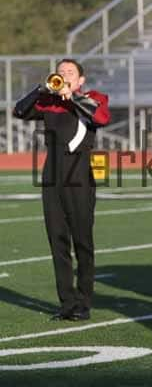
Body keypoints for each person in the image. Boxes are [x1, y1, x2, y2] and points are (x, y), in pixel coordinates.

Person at [13, 58, 111, 321]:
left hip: (78, 175)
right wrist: (41, 89)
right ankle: (67, 303)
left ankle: (83, 302)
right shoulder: (50, 102)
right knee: (57, 241)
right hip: (51, 175)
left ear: (80, 80)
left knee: (82, 241)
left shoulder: (93, 97)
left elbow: (101, 117)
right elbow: (19, 111)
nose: (64, 75)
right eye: (60, 72)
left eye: (70, 72)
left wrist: (72, 97)